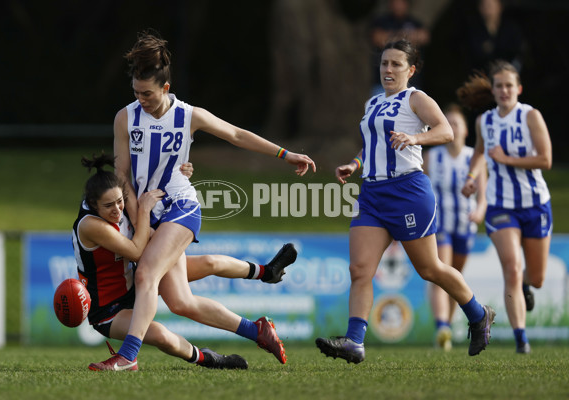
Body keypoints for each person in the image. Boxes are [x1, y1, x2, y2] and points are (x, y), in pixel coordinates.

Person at [96, 30, 315, 371]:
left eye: (148, 94)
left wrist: (284, 153)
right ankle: (257, 329)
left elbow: (236, 134)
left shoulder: (188, 115)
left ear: (166, 89)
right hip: (145, 214)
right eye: (137, 93)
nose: (142, 100)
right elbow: (122, 173)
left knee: (146, 276)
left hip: (181, 208)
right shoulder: (125, 117)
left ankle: (127, 357)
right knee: (182, 302)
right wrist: (137, 213)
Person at [315, 39, 495, 364]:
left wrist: (416, 137)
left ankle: (478, 313)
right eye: (384, 63)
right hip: (372, 194)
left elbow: (446, 131)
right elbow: (374, 146)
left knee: (430, 269)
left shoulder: (416, 99)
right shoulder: (372, 103)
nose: (388, 69)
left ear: (410, 70)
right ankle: (355, 342)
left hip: (407, 192)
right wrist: (355, 164)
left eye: (396, 64)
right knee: (359, 270)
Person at [75, 154, 298, 371]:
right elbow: (134, 251)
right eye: (108, 206)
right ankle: (209, 359)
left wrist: (180, 171)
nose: (117, 209)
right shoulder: (90, 225)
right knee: (164, 334)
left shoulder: (121, 204)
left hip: (132, 282)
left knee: (207, 264)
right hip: (108, 311)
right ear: (93, 205)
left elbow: (151, 178)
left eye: (119, 201)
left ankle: (266, 274)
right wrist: (143, 211)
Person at [458, 60, 553, 354]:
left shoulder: (530, 116)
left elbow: (545, 160)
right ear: (493, 89)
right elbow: (478, 154)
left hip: (535, 203)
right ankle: (521, 339)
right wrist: (472, 177)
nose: (504, 90)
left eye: (509, 85)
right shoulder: (484, 121)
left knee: (535, 278)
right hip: (501, 205)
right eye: (499, 85)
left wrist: (506, 160)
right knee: (511, 268)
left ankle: (526, 285)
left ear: (518, 88)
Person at [424, 104, 487, 351]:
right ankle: (441, 325)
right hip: (439, 223)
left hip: (465, 224)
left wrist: (480, 210)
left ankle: (446, 329)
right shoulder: (432, 156)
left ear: (465, 131)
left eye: (457, 123)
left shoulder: (475, 157)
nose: (453, 127)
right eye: (448, 123)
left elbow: (483, 193)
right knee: (441, 271)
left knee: (454, 278)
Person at [369, 0, 430, 94]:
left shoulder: (414, 22)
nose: (397, 5)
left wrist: (391, 37)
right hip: (383, 84)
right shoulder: (381, 22)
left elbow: (424, 36)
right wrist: (408, 37)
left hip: (411, 83)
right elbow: (378, 38)